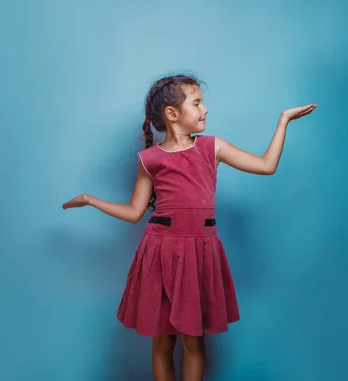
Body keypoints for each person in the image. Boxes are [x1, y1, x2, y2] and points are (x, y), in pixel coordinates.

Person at [62, 74, 316, 381]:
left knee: (195, 340)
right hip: (160, 251)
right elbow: (134, 212)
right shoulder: (149, 159)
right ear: (172, 114)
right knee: (163, 340)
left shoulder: (213, 147)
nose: (205, 109)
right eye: (196, 103)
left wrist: (284, 120)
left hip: (201, 250)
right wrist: (91, 200)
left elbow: (266, 166)